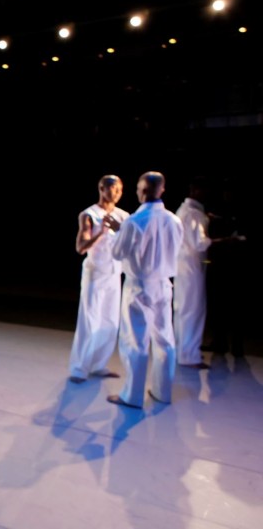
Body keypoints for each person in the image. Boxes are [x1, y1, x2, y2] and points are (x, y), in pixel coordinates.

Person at [107, 171, 183, 409]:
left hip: (140, 285)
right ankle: (163, 391)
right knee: (165, 339)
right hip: (163, 284)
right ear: (161, 190)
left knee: (135, 341)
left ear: (142, 191)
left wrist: (119, 231)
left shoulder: (133, 222)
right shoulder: (174, 220)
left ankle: (132, 395)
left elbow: (118, 253)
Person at [174, 176, 245, 368]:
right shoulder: (194, 214)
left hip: (182, 266)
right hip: (192, 266)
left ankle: (182, 351)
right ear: (195, 191)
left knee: (182, 310)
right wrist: (228, 241)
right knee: (193, 311)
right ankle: (189, 356)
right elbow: (200, 242)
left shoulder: (184, 210)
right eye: (204, 190)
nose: (208, 195)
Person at [68, 174, 129, 384]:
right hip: (95, 273)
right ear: (102, 189)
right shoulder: (89, 215)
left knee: (110, 321)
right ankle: (79, 367)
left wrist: (119, 229)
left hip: (114, 274)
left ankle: (98, 364)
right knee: (90, 320)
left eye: (120, 190)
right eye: (114, 189)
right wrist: (101, 232)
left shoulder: (123, 216)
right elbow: (80, 247)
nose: (117, 193)